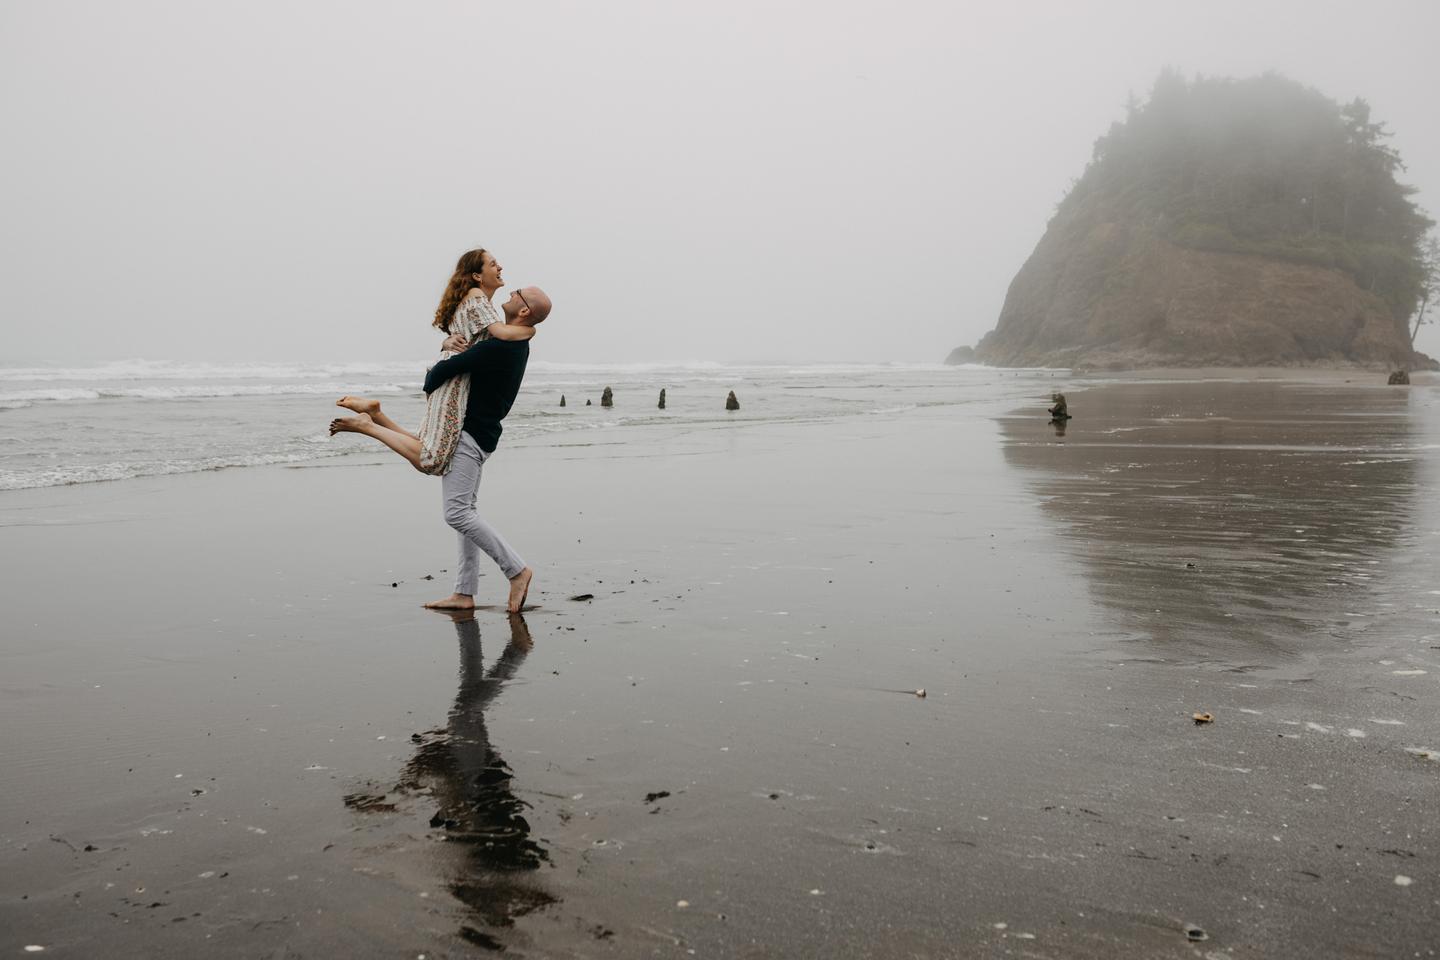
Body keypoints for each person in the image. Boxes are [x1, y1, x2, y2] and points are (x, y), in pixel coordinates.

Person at [330, 281, 552, 614]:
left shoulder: (501, 347)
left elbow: (440, 374)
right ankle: (464, 592)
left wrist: (441, 361)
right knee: (463, 507)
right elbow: (465, 349)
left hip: (471, 434)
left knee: (457, 512)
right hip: (480, 434)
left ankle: (516, 570)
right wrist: (449, 341)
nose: (509, 293)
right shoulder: (509, 343)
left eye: (516, 294)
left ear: (523, 310)